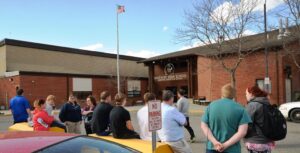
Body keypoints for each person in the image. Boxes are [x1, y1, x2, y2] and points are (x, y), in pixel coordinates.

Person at [201, 84, 252, 153]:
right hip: (232, 149)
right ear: (234, 95)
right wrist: (225, 145)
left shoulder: (211, 106)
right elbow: (242, 132)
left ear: (222, 93)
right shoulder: (240, 109)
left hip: (212, 147)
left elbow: (204, 125)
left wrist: (214, 142)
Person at [244, 86, 275, 153]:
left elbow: (247, 123)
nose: (245, 96)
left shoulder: (253, 105)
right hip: (267, 140)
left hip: (256, 141)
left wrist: (242, 134)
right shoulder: (266, 103)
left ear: (251, 94)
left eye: (246, 93)